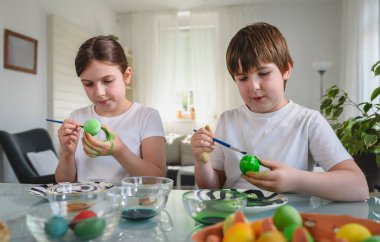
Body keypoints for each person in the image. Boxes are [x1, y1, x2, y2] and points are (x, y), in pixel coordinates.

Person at [191, 22, 369, 201]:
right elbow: (212, 187)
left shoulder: (308, 121)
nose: (254, 86)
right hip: (235, 219)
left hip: (287, 222)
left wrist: (295, 180)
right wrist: (201, 161)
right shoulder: (228, 120)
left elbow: (358, 187)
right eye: (243, 78)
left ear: (286, 70)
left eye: (264, 73)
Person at [55, 36, 166, 184]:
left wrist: (119, 151)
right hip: (86, 205)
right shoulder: (77, 116)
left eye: (107, 81)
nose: (99, 92)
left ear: (126, 76)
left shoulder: (147, 116)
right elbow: (64, 182)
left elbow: (157, 179)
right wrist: (67, 154)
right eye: (88, 84)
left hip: (130, 205)